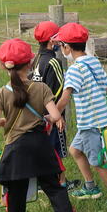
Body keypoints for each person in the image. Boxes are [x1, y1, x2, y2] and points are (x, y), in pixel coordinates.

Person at [0, 39, 78, 212]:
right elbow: (55, 116)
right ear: (30, 63)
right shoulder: (42, 88)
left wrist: (5, 121)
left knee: (16, 189)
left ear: (3, 66)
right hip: (40, 146)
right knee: (54, 186)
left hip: (16, 148)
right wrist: (44, 118)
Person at [54, 22, 107, 211]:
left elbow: (65, 98)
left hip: (91, 123)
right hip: (99, 119)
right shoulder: (93, 61)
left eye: (60, 45)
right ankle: (90, 187)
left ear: (67, 47)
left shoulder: (74, 70)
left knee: (96, 161)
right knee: (75, 151)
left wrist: (52, 114)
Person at [31, 21, 79, 190]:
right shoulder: (54, 62)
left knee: (43, 149)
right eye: (57, 38)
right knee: (56, 151)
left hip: (36, 115)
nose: (60, 42)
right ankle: (61, 183)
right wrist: (57, 117)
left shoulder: (36, 59)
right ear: (52, 41)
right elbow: (58, 92)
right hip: (51, 116)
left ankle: (40, 182)